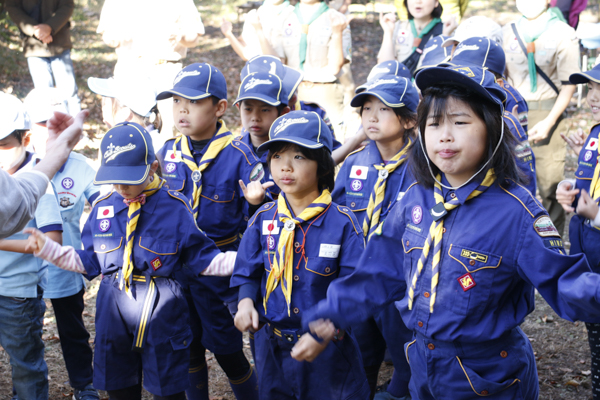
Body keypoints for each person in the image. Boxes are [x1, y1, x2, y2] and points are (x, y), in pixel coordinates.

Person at [300, 65, 600, 400]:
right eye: (434, 123)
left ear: (492, 129)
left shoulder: (516, 213)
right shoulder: (417, 197)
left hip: (487, 375)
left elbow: (565, 281)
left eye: (459, 122)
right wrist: (330, 314)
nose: (445, 135)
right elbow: (378, 271)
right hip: (423, 365)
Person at [25, 121, 238, 400]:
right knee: (118, 387)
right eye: (115, 179)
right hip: (113, 308)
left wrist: (244, 260)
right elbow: (90, 261)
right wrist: (49, 250)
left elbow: (205, 260)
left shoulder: (175, 207)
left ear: (152, 168)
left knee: (168, 389)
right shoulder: (104, 207)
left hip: (162, 310)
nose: (121, 187)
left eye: (129, 178)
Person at [230, 110, 370, 400]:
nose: (285, 167)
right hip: (272, 348)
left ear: (321, 164)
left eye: (298, 157)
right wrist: (245, 302)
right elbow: (248, 269)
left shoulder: (342, 223)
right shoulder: (264, 219)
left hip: (327, 350)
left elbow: (357, 287)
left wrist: (328, 327)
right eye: (277, 156)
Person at [155, 63, 260, 400]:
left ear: (219, 108)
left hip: (218, 271)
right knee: (186, 346)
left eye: (194, 102)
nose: (182, 110)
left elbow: (258, 220)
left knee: (227, 350)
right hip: (175, 271)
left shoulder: (240, 155)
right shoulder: (167, 153)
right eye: (176, 101)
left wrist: (256, 203)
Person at [333, 76, 418, 400]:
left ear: (409, 119)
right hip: (360, 277)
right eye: (366, 108)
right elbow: (338, 216)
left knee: (406, 357)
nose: (371, 116)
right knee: (362, 355)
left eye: (383, 109)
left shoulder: (423, 167)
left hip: (402, 284)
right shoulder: (355, 163)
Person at [23, 87, 100, 400]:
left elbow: (106, 205)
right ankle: (25, 388)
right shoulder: (16, 165)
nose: (49, 130)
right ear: (27, 128)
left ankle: (84, 384)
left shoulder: (81, 166)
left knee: (72, 331)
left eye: (57, 122)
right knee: (25, 335)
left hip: (63, 269)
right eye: (41, 123)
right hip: (23, 273)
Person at [0, 93, 63, 400]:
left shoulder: (39, 181)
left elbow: (51, 242)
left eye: (2, 146)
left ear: (26, 138)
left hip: (17, 293)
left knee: (24, 364)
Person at [503, 0, 580, 235]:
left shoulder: (563, 33)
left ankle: (552, 242)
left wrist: (549, 121)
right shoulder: (508, 31)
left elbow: (570, 85)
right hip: (514, 111)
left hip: (549, 111)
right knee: (512, 178)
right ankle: (516, 239)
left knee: (549, 184)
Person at [441, 37, 536, 194]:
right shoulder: (454, 100)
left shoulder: (511, 103)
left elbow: (522, 169)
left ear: (497, 83)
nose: (460, 80)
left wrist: (509, 128)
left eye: (470, 75)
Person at [556, 63, 600, 399]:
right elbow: (585, 184)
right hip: (589, 258)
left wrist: (595, 215)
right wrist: (568, 186)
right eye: (592, 89)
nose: (594, 97)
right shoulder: (595, 133)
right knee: (595, 330)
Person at [96, 0, 205, 136]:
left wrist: (180, 35)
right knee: (126, 128)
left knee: (169, 128)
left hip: (166, 69)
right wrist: (120, 35)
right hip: (130, 68)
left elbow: (194, 37)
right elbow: (107, 35)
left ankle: (163, 156)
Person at [268, 0, 351, 138]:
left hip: (325, 92)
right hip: (292, 94)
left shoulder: (336, 19)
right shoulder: (283, 17)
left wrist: (337, 33)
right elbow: (279, 63)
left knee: (331, 144)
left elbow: (335, 67)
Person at [6, 0, 81, 115]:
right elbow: (12, 7)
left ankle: (76, 130)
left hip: (59, 42)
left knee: (69, 93)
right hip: (34, 47)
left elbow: (67, 5)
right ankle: (51, 131)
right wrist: (35, 30)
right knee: (44, 96)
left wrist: (50, 27)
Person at [87, 75, 164, 150]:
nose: (102, 108)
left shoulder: (150, 149)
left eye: (105, 104)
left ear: (125, 113)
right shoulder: (124, 143)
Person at [377, 0, 448, 76]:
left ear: (436, 2)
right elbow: (384, 69)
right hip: (400, 86)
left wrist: (446, 36)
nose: (418, 1)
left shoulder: (446, 30)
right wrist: (388, 32)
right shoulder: (397, 27)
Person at [220, 0, 293, 62]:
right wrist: (229, 35)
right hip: (256, 75)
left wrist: (259, 30)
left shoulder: (292, 15)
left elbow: (277, 64)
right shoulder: (255, 14)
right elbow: (246, 54)